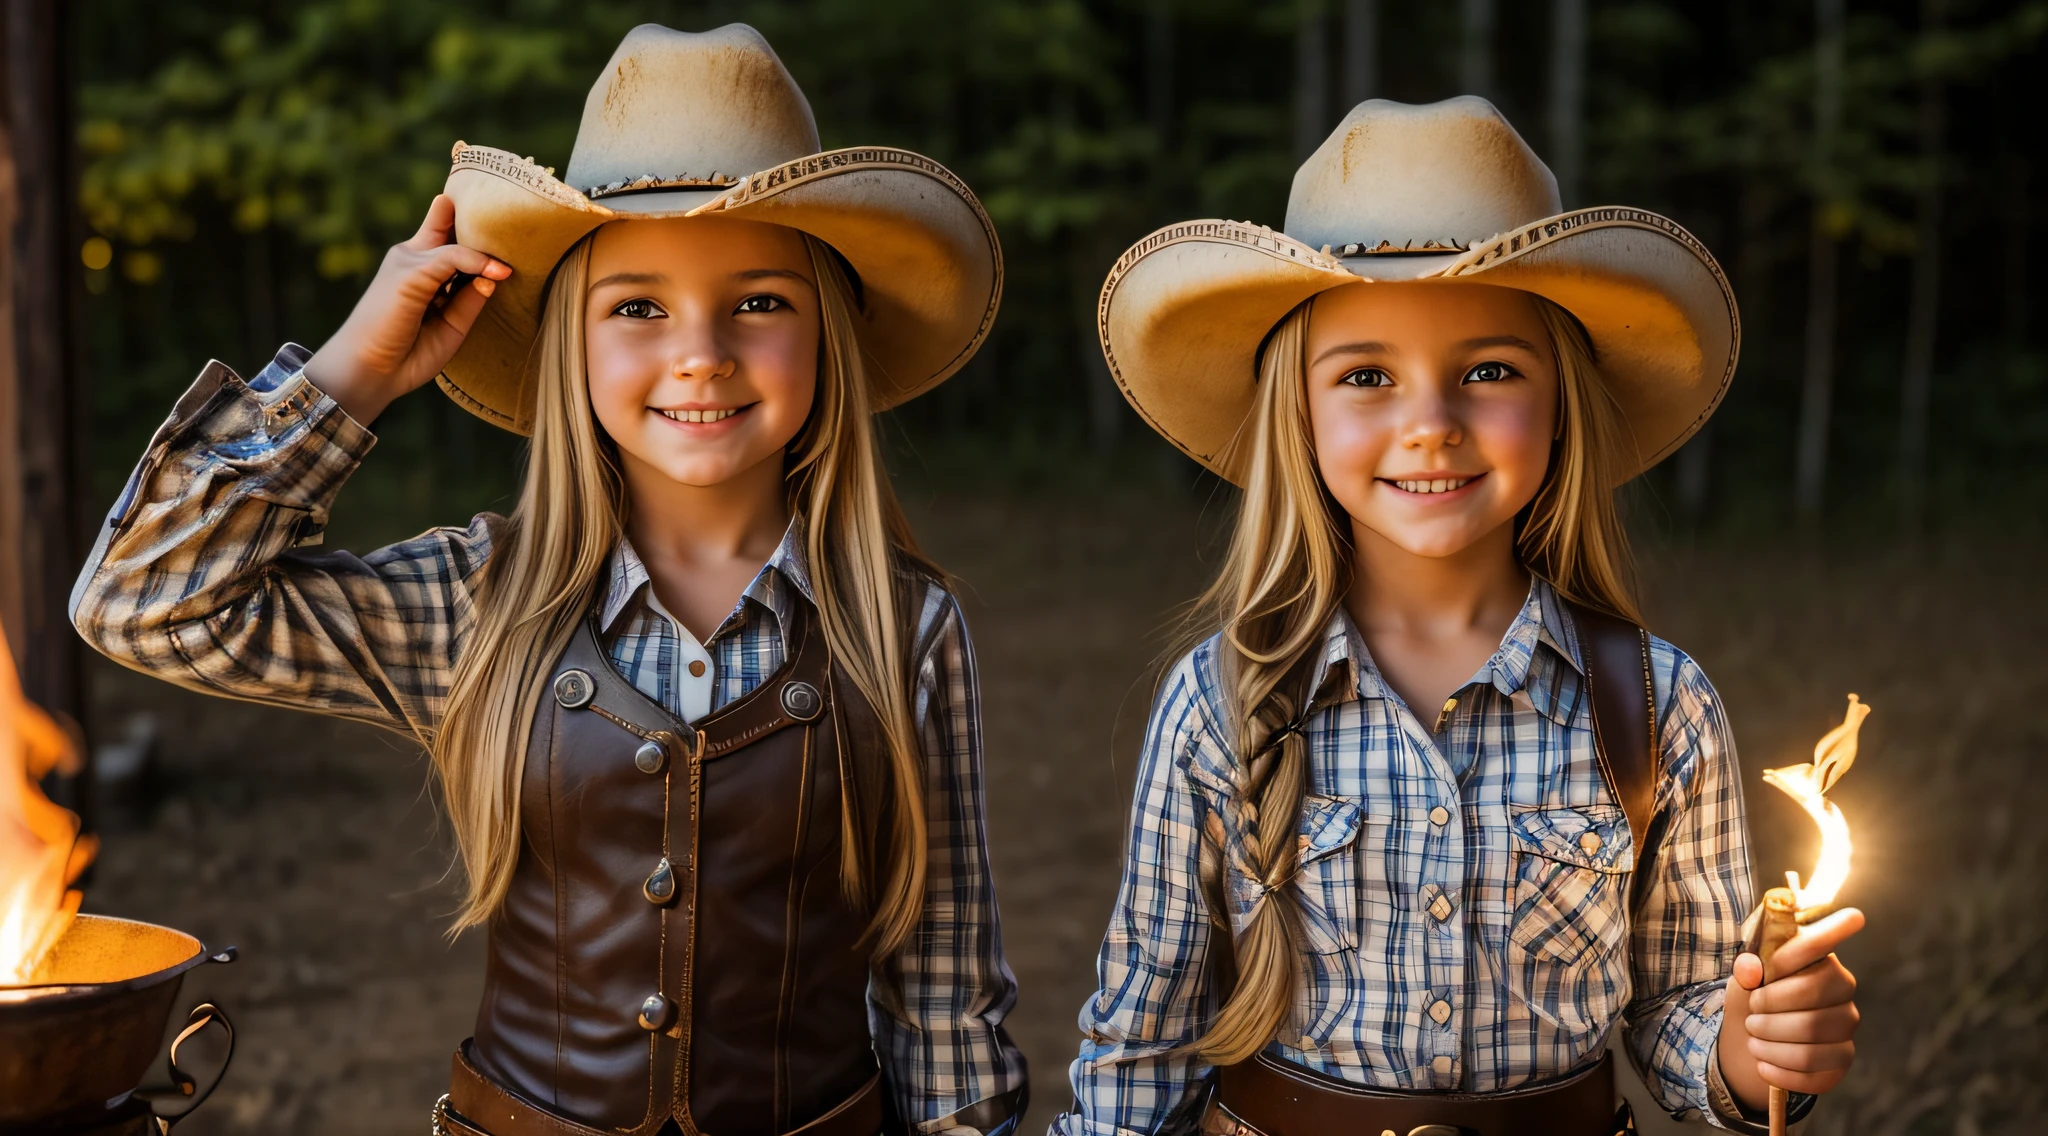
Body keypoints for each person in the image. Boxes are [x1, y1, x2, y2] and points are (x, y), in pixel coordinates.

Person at [72, 24, 1027, 1136]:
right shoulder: (479, 600)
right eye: (637, 306)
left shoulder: (905, 622)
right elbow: (140, 600)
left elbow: (945, 989)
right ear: (567, 343)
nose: (701, 351)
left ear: (831, 337)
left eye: (760, 301)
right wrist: (352, 372)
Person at [1053, 98, 1863, 1136]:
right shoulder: (1219, 699)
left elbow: (1678, 1007)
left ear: (1560, 399)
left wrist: (1748, 1052)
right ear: (1295, 413)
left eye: (1488, 371)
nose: (1430, 424)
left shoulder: (1659, 707)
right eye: (1364, 376)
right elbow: (1142, 1040)